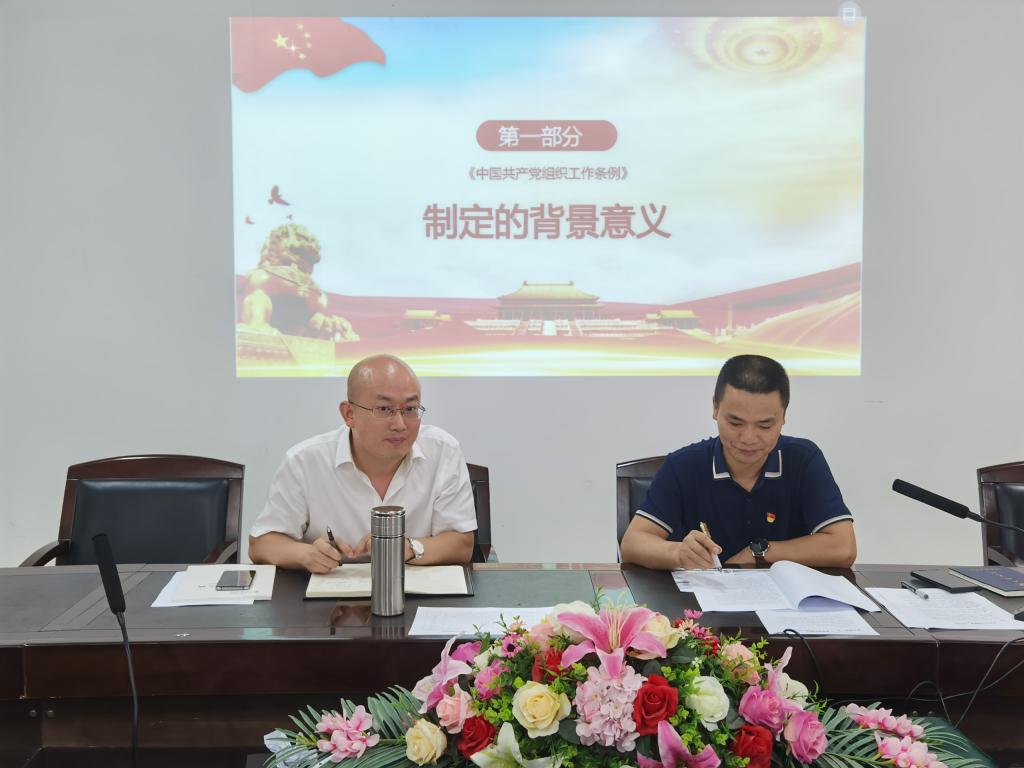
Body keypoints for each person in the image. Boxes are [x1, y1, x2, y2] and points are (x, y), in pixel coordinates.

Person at [619, 355, 856, 570]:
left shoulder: (803, 459)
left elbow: (843, 547)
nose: (748, 438)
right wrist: (678, 552)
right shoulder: (684, 466)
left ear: (784, 416)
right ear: (715, 408)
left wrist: (759, 553)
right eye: (735, 423)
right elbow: (632, 544)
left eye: (764, 425)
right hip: (703, 600)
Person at [249, 354, 477, 572]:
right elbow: (261, 544)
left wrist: (406, 548)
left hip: (418, 590)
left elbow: (462, 544)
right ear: (349, 414)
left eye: (410, 409)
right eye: (384, 409)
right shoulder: (305, 461)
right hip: (330, 593)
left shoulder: (443, 451)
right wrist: (306, 554)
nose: (400, 424)